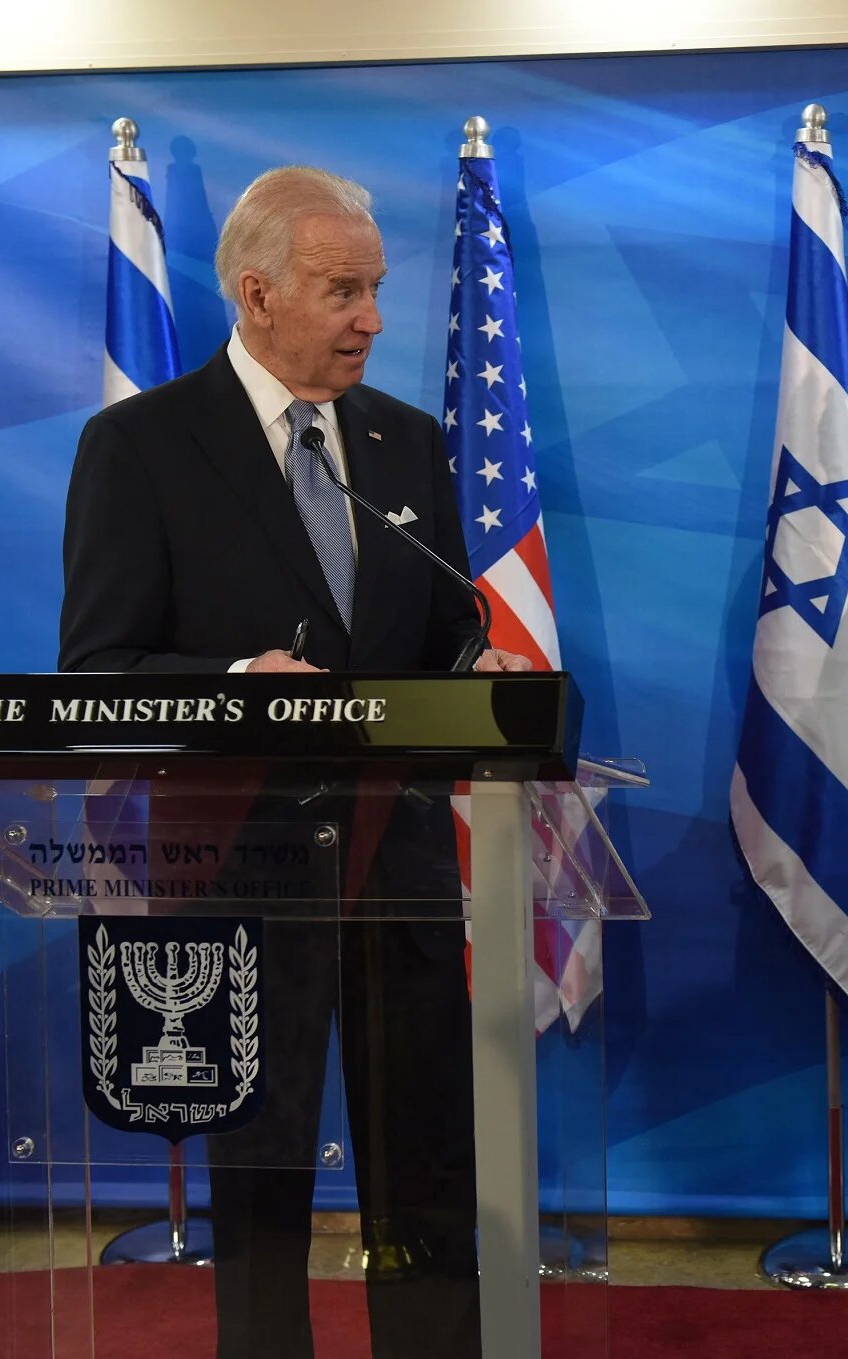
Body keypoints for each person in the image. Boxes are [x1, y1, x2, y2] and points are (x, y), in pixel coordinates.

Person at [61, 164, 529, 1359]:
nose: (371, 318)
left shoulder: (405, 442)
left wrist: (473, 674)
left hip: (398, 865)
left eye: (375, 289)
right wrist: (232, 684)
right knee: (260, 1162)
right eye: (342, 291)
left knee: (426, 1154)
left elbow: (443, 632)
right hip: (242, 866)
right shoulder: (141, 446)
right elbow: (98, 669)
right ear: (257, 293)